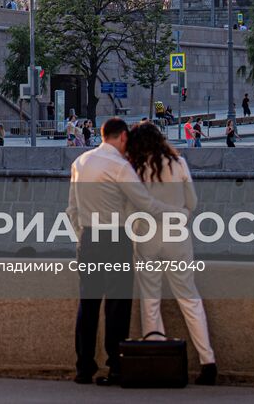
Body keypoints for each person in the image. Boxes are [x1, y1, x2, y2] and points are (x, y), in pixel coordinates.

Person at [66, 117, 181, 386]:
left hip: (89, 240)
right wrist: (177, 214)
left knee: (88, 305)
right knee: (117, 306)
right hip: (116, 239)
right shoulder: (120, 167)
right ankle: (115, 366)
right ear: (122, 137)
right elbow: (147, 204)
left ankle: (84, 367)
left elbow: (71, 208)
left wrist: (82, 236)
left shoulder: (80, 163)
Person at [123, 121, 217, 386]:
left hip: (147, 237)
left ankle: (157, 360)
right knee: (189, 297)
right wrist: (181, 217)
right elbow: (193, 204)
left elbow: (129, 211)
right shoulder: (179, 163)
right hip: (177, 237)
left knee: (150, 299)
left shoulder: (135, 169)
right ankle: (207, 361)